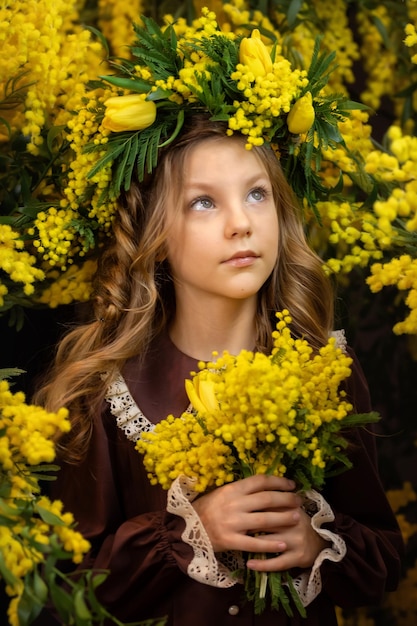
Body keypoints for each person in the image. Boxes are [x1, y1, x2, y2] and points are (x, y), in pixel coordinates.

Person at [33, 14, 403, 626]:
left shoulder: (326, 369)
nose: (241, 223)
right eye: (204, 202)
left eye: (256, 194)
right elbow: (74, 587)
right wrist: (188, 530)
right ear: (155, 237)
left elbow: (383, 558)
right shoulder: (107, 393)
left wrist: (318, 546)